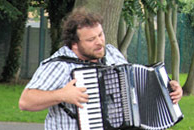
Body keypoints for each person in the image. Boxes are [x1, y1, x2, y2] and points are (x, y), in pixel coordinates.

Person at [17, 9, 183, 130]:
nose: (99, 42)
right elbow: (26, 101)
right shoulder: (59, 65)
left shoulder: (111, 52)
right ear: (74, 44)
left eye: (100, 35)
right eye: (91, 39)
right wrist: (62, 95)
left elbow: (134, 86)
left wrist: (167, 90)